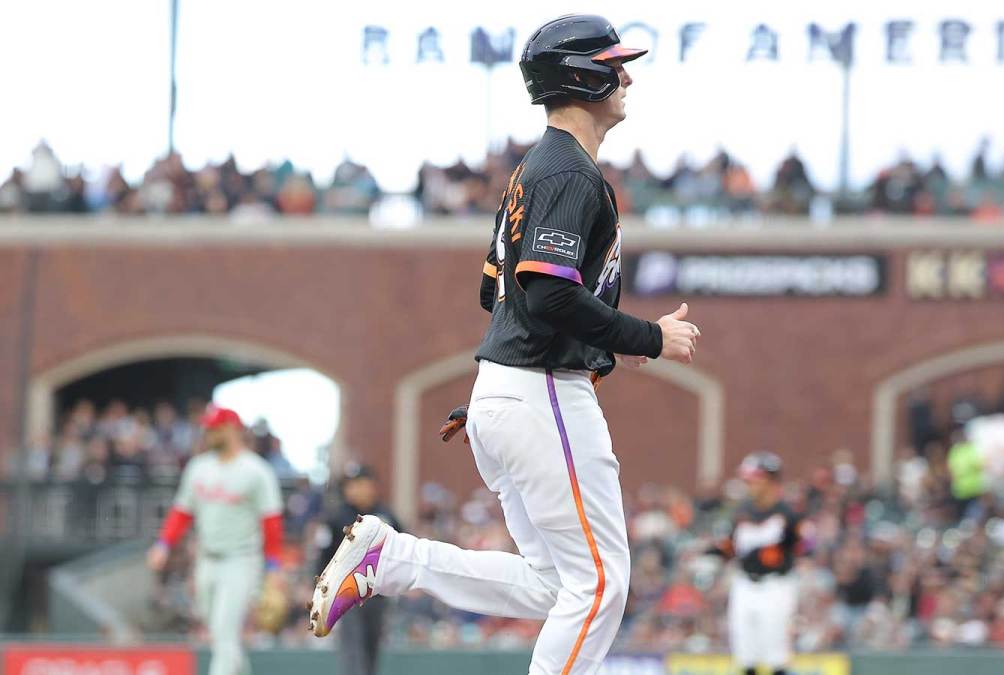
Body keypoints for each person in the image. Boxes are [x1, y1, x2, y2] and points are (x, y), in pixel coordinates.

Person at [307, 15, 700, 674]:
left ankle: (395, 558)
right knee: (600, 583)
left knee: (556, 585)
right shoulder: (567, 172)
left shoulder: (536, 170)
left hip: (512, 388)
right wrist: (648, 336)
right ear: (583, 74)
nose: (626, 74)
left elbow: (500, 293)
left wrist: (607, 345)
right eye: (614, 62)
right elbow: (543, 296)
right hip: (540, 391)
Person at [147, 405, 284, 675]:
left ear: (231, 429)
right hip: (206, 560)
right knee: (221, 635)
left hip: (241, 560)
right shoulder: (199, 468)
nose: (208, 433)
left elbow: (271, 523)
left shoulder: (256, 471)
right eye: (207, 428)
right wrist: (163, 544)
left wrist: (273, 567)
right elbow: (182, 512)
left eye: (214, 428)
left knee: (224, 629)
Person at [708, 452, 802, 675]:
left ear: (771, 480)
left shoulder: (787, 514)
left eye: (755, 478)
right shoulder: (741, 512)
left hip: (776, 584)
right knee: (744, 653)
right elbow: (729, 548)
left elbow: (802, 546)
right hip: (744, 584)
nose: (750, 484)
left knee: (776, 655)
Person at [316, 463, 401, 675]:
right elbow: (322, 556)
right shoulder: (336, 518)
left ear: (372, 486)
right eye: (351, 485)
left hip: (378, 594)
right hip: (345, 593)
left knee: (371, 649)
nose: (356, 490)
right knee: (352, 649)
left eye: (361, 484)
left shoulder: (386, 515)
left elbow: (403, 550)